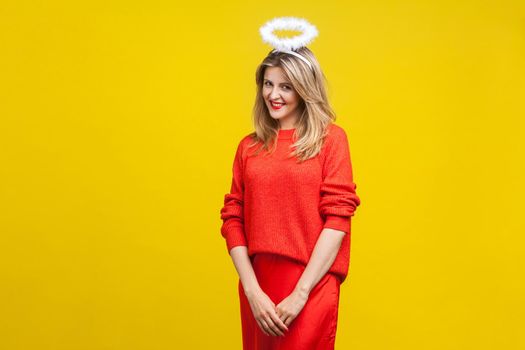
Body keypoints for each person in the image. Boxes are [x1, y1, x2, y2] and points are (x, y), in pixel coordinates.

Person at [220, 17, 361, 350]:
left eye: (285, 86)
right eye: (268, 84)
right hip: (259, 284)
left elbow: (338, 218)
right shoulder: (249, 147)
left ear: (304, 88)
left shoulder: (331, 141)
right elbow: (233, 219)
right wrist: (252, 291)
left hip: (310, 283)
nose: (274, 95)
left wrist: (301, 293)